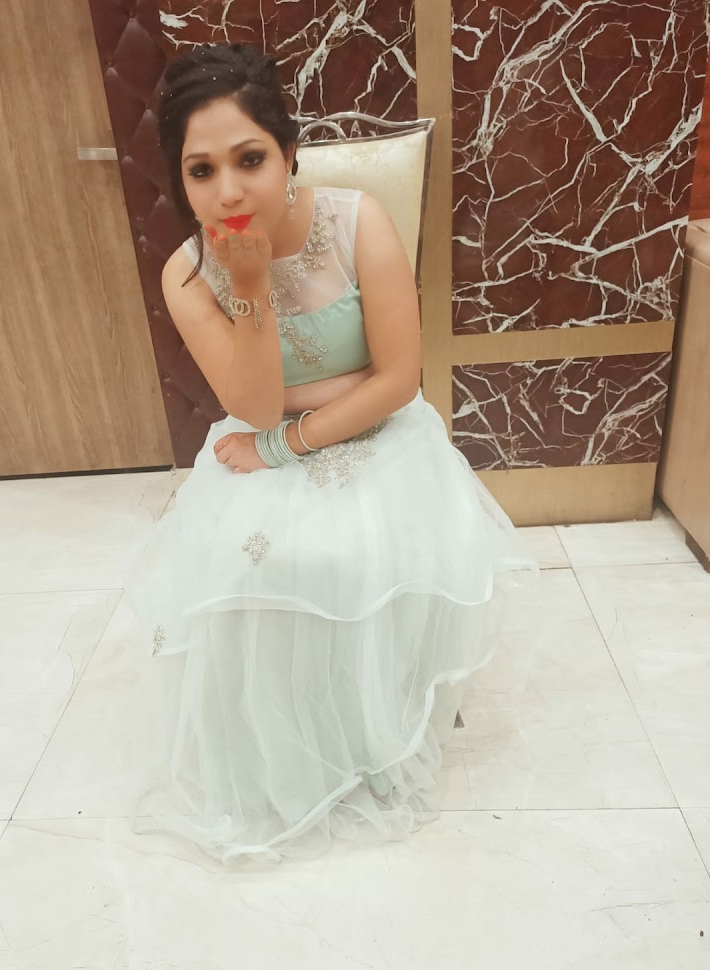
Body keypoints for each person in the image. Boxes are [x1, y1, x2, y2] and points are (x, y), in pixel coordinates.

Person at [124, 41, 535, 865]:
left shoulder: (356, 222)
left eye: (250, 158)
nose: (229, 191)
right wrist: (248, 290)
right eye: (201, 171)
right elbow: (253, 402)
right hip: (260, 435)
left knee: (358, 547)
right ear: (181, 181)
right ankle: (279, 750)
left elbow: (399, 378)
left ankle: (373, 730)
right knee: (242, 567)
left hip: (378, 436)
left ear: (289, 153)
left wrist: (290, 436)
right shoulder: (188, 273)